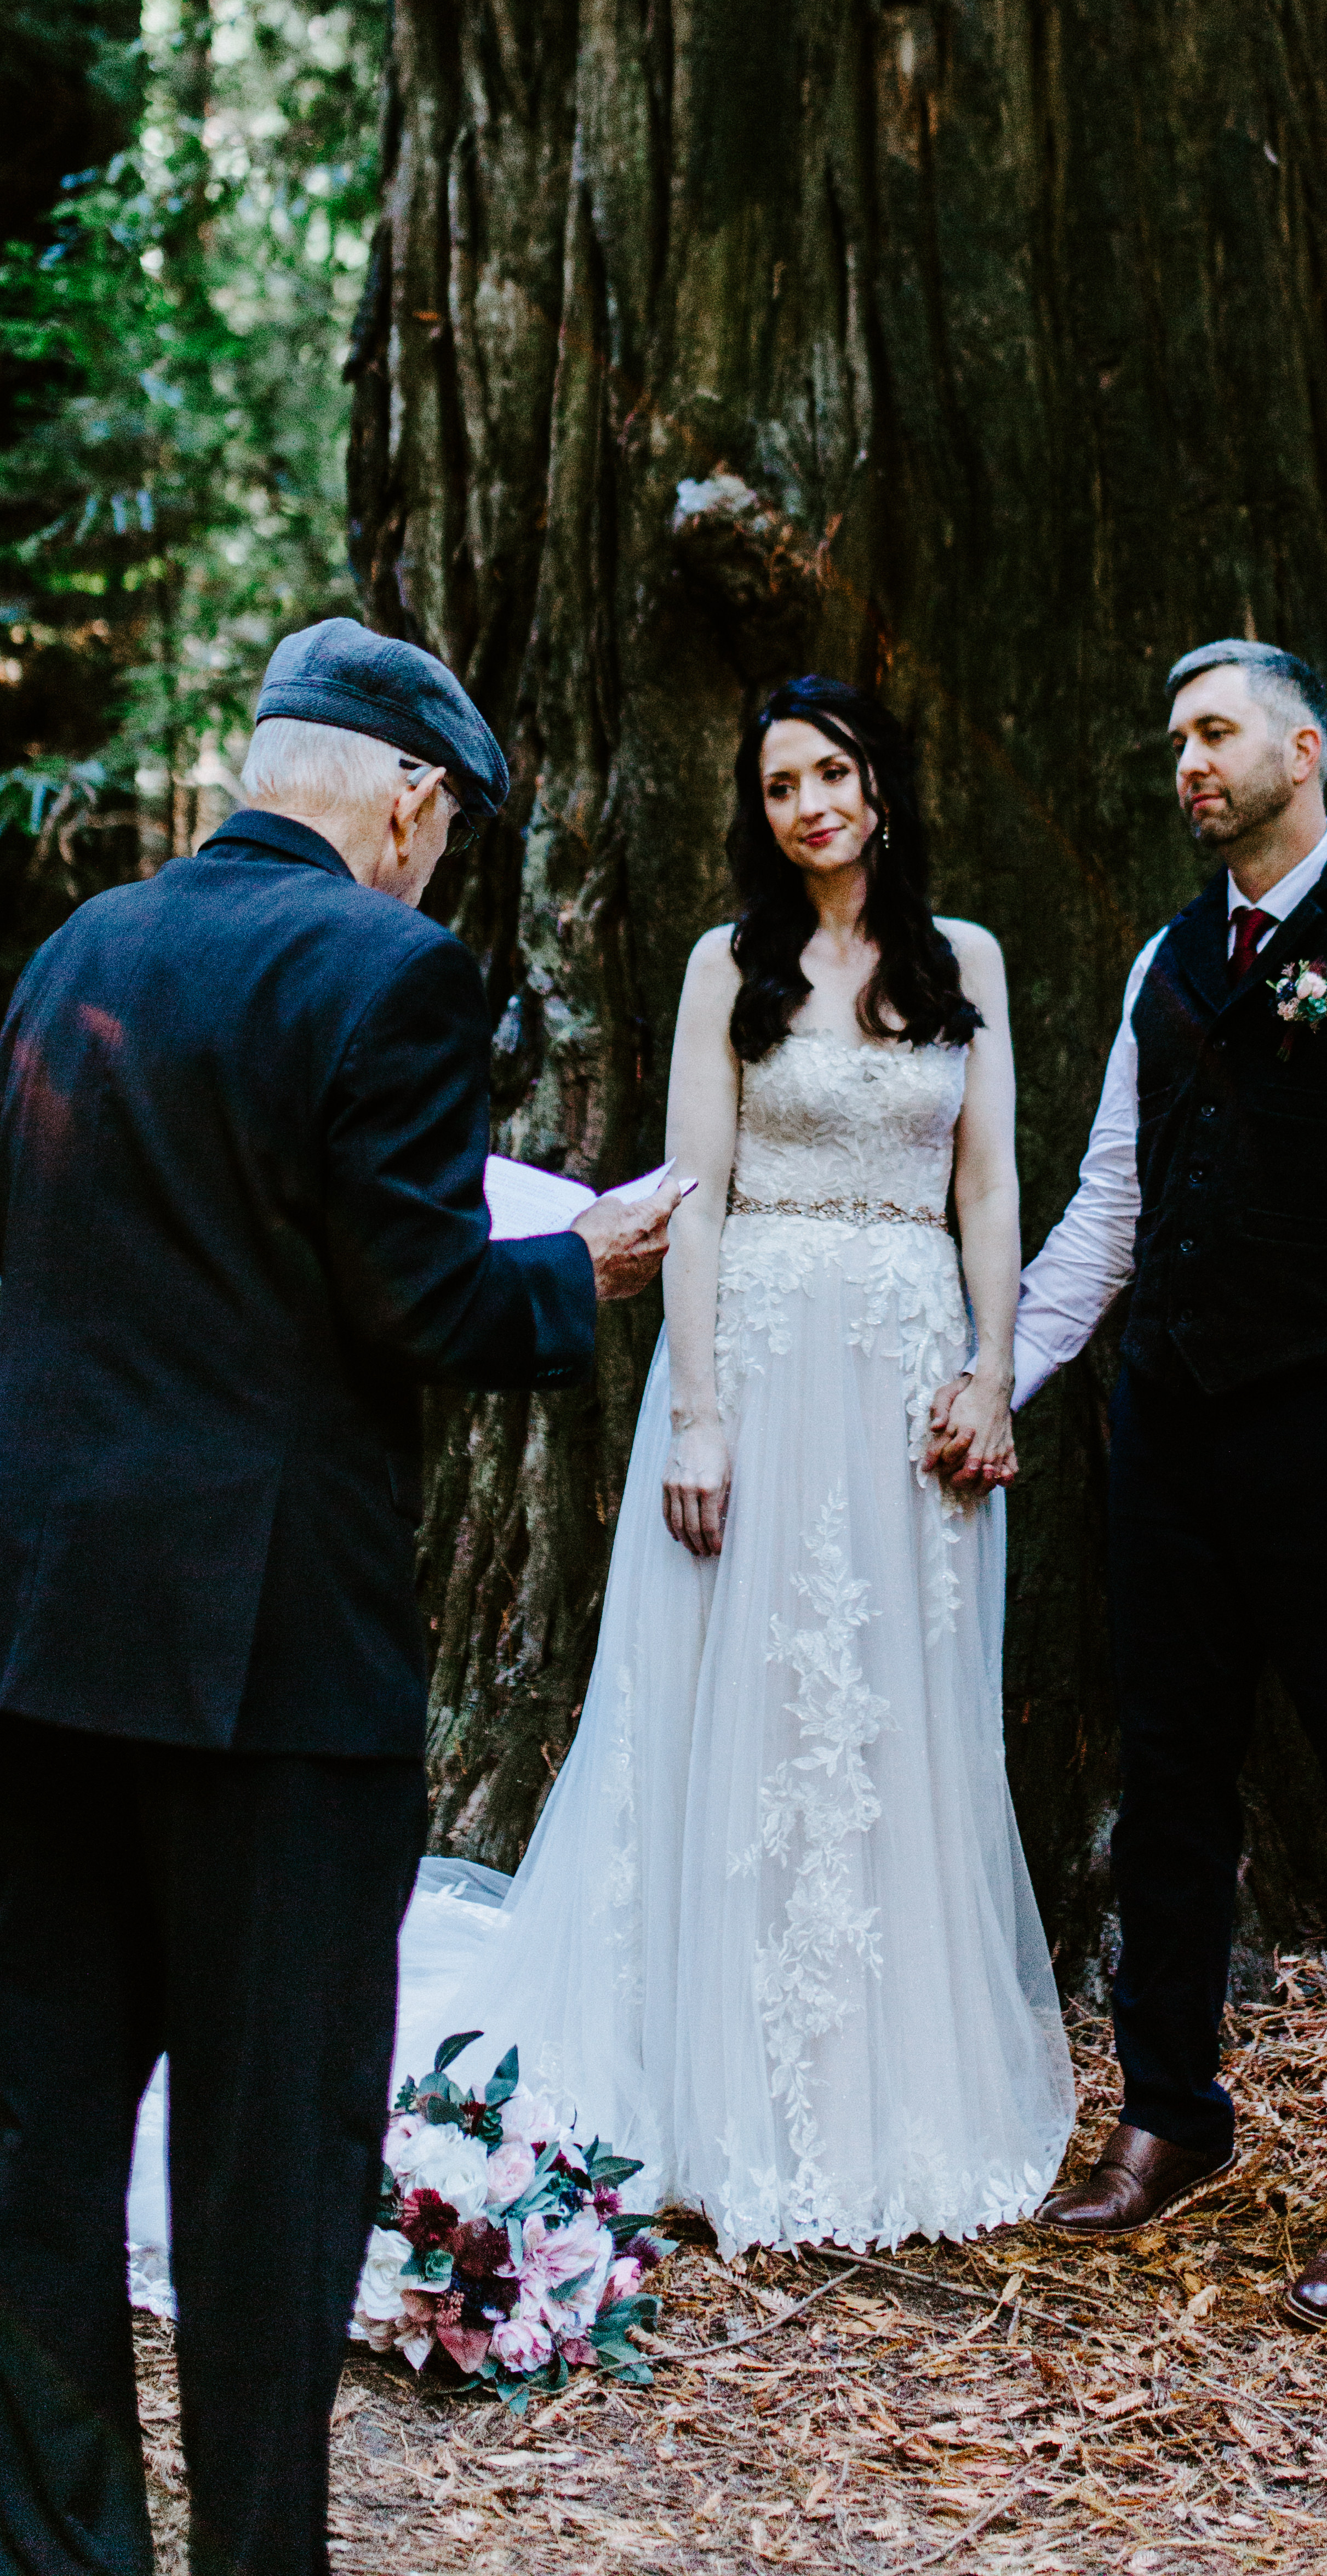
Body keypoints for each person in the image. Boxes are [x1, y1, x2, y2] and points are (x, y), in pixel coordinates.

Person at [0, 620, 682, 2576]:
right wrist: (577, 1267)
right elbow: (417, 1296)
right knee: (275, 2157)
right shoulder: (388, 969)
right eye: (448, 830)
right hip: (267, 1659)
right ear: (408, 799)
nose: (439, 870)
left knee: (58, 2125)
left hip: (40, 1616)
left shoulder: (80, 949)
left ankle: (55, 2552)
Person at [390, 674, 1074, 2253]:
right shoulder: (729, 965)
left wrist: (993, 1367)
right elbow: (690, 1191)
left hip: (906, 1369)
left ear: (880, 785)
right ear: (759, 816)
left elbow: (990, 1190)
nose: (812, 805)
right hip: (759, 1357)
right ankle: (709, 2086)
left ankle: (881, 2089)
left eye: (833, 774)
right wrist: (695, 1409)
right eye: (781, 787)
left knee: (891, 1712)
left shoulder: (964, 961)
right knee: (738, 1705)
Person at [1012, 641, 1327, 2323]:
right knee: (1170, 1782)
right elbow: (1112, 1207)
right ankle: (1171, 2116)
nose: (1191, 764)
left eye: (1217, 732)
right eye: (1176, 741)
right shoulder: (1171, 959)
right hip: (1172, 1435)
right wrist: (999, 1375)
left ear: (1306, 744)